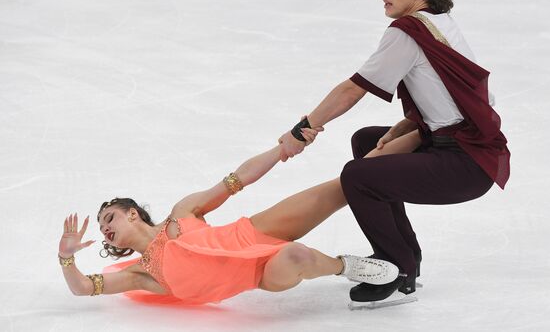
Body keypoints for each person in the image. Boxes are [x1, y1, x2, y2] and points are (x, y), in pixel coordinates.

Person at [278, 0, 511, 303]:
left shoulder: (407, 33)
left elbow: (352, 90)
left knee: (357, 177)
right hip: (466, 148)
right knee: (366, 142)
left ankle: (397, 269)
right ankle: (407, 260)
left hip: (467, 164)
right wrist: (407, 125)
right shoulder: (438, 24)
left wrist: (303, 129)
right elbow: (465, 98)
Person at [58, 129, 422, 305]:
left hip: (256, 230)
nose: (105, 229)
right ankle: (347, 266)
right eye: (104, 229)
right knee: (295, 255)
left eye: (109, 218)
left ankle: (426, 134)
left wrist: (283, 148)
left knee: (349, 181)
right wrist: (66, 256)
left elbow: (237, 179)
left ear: (132, 213)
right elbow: (83, 287)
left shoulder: (180, 214)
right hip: (260, 273)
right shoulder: (142, 274)